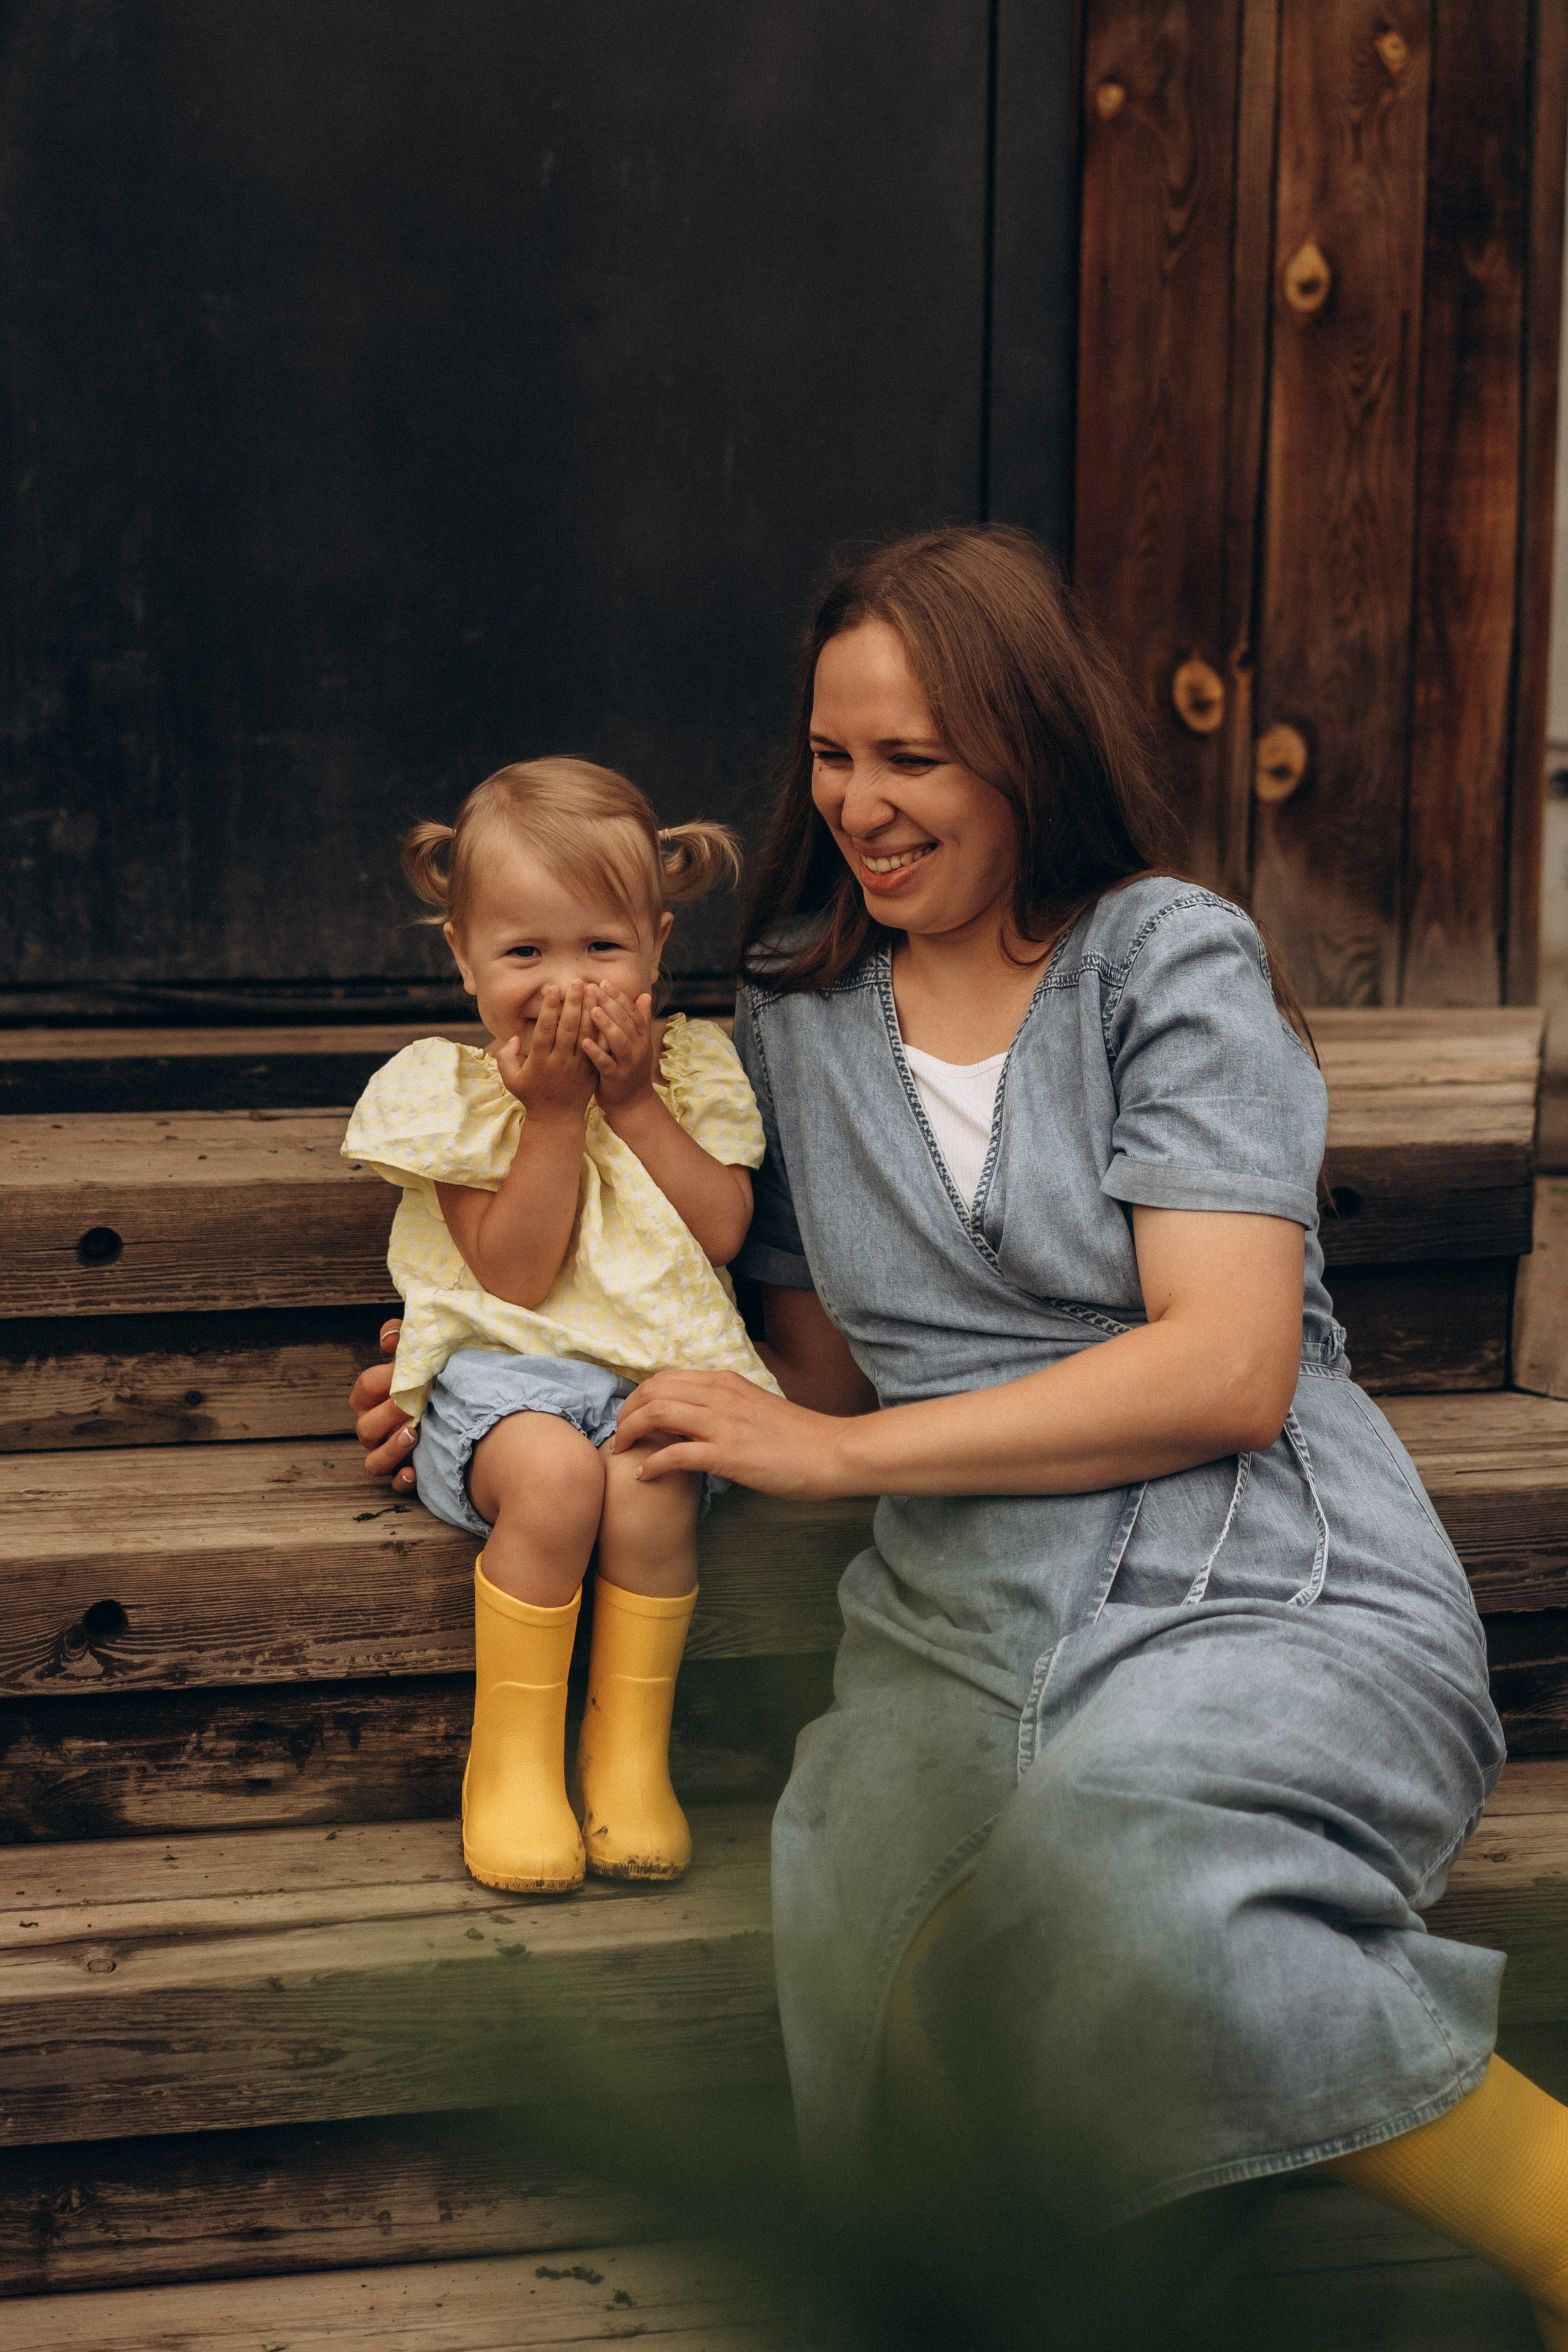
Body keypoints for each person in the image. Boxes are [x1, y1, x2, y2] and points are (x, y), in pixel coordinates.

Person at [352, 536, 1568, 2346]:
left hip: (1258, 1562)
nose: (859, 802)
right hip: (958, 1609)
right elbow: (799, 1361)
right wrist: (475, 1354)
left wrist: (834, 1466)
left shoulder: (1170, 960)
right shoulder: (800, 1021)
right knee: (908, 1996)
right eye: (835, 756)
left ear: (1026, 749)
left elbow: (1228, 1370)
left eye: (911, 757)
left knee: (1122, 1882)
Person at [343, 757, 777, 1898]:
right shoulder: (450, 1093)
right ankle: (515, 1766)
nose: (564, 983)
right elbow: (517, 1275)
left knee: (653, 1483)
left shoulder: (691, 1074)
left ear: (659, 946)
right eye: (524, 953)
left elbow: (724, 1229)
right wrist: (554, 1117)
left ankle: (626, 1764)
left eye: (601, 948)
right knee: (554, 1478)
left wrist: (631, 1103)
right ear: (462, 957)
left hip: (647, 1381)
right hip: (498, 1382)